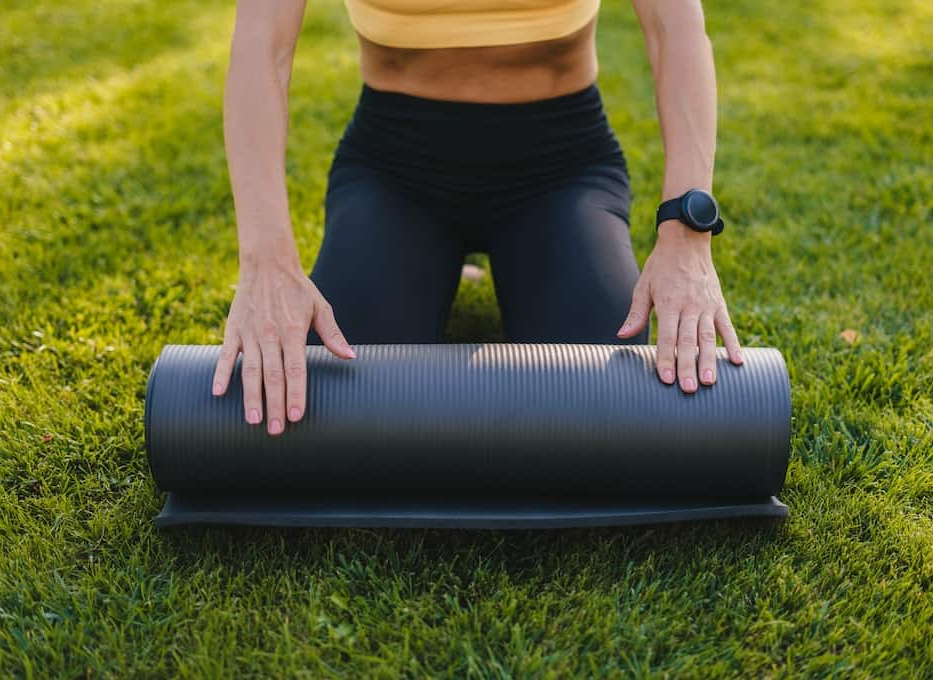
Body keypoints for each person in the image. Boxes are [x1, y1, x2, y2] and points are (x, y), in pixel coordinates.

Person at [211, 0, 744, 436]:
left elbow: (675, 27)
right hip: (397, 171)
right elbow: (264, 44)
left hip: (559, 169)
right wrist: (265, 262)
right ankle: (431, 262)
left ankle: (496, 264)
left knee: (599, 391)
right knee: (337, 385)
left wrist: (685, 234)